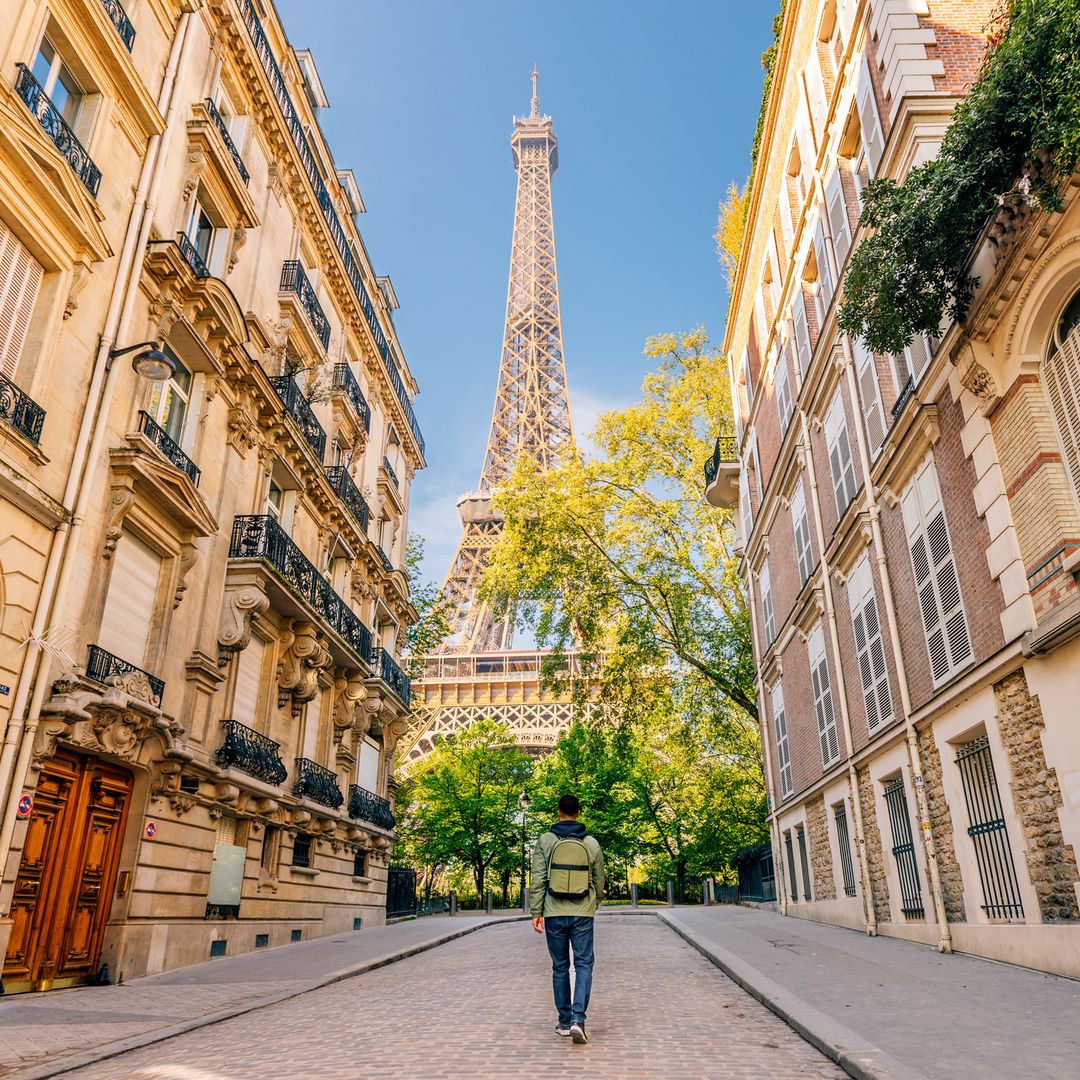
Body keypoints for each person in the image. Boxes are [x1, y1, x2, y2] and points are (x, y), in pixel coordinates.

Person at [530, 793, 605, 1044]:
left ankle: (564, 1021)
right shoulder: (592, 843)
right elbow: (599, 879)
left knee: (560, 966)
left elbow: (538, 879)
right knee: (583, 964)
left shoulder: (545, 841)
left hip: (554, 911)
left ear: (558, 812)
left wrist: (536, 912)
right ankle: (578, 1019)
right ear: (579, 812)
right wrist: (593, 904)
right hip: (582, 911)